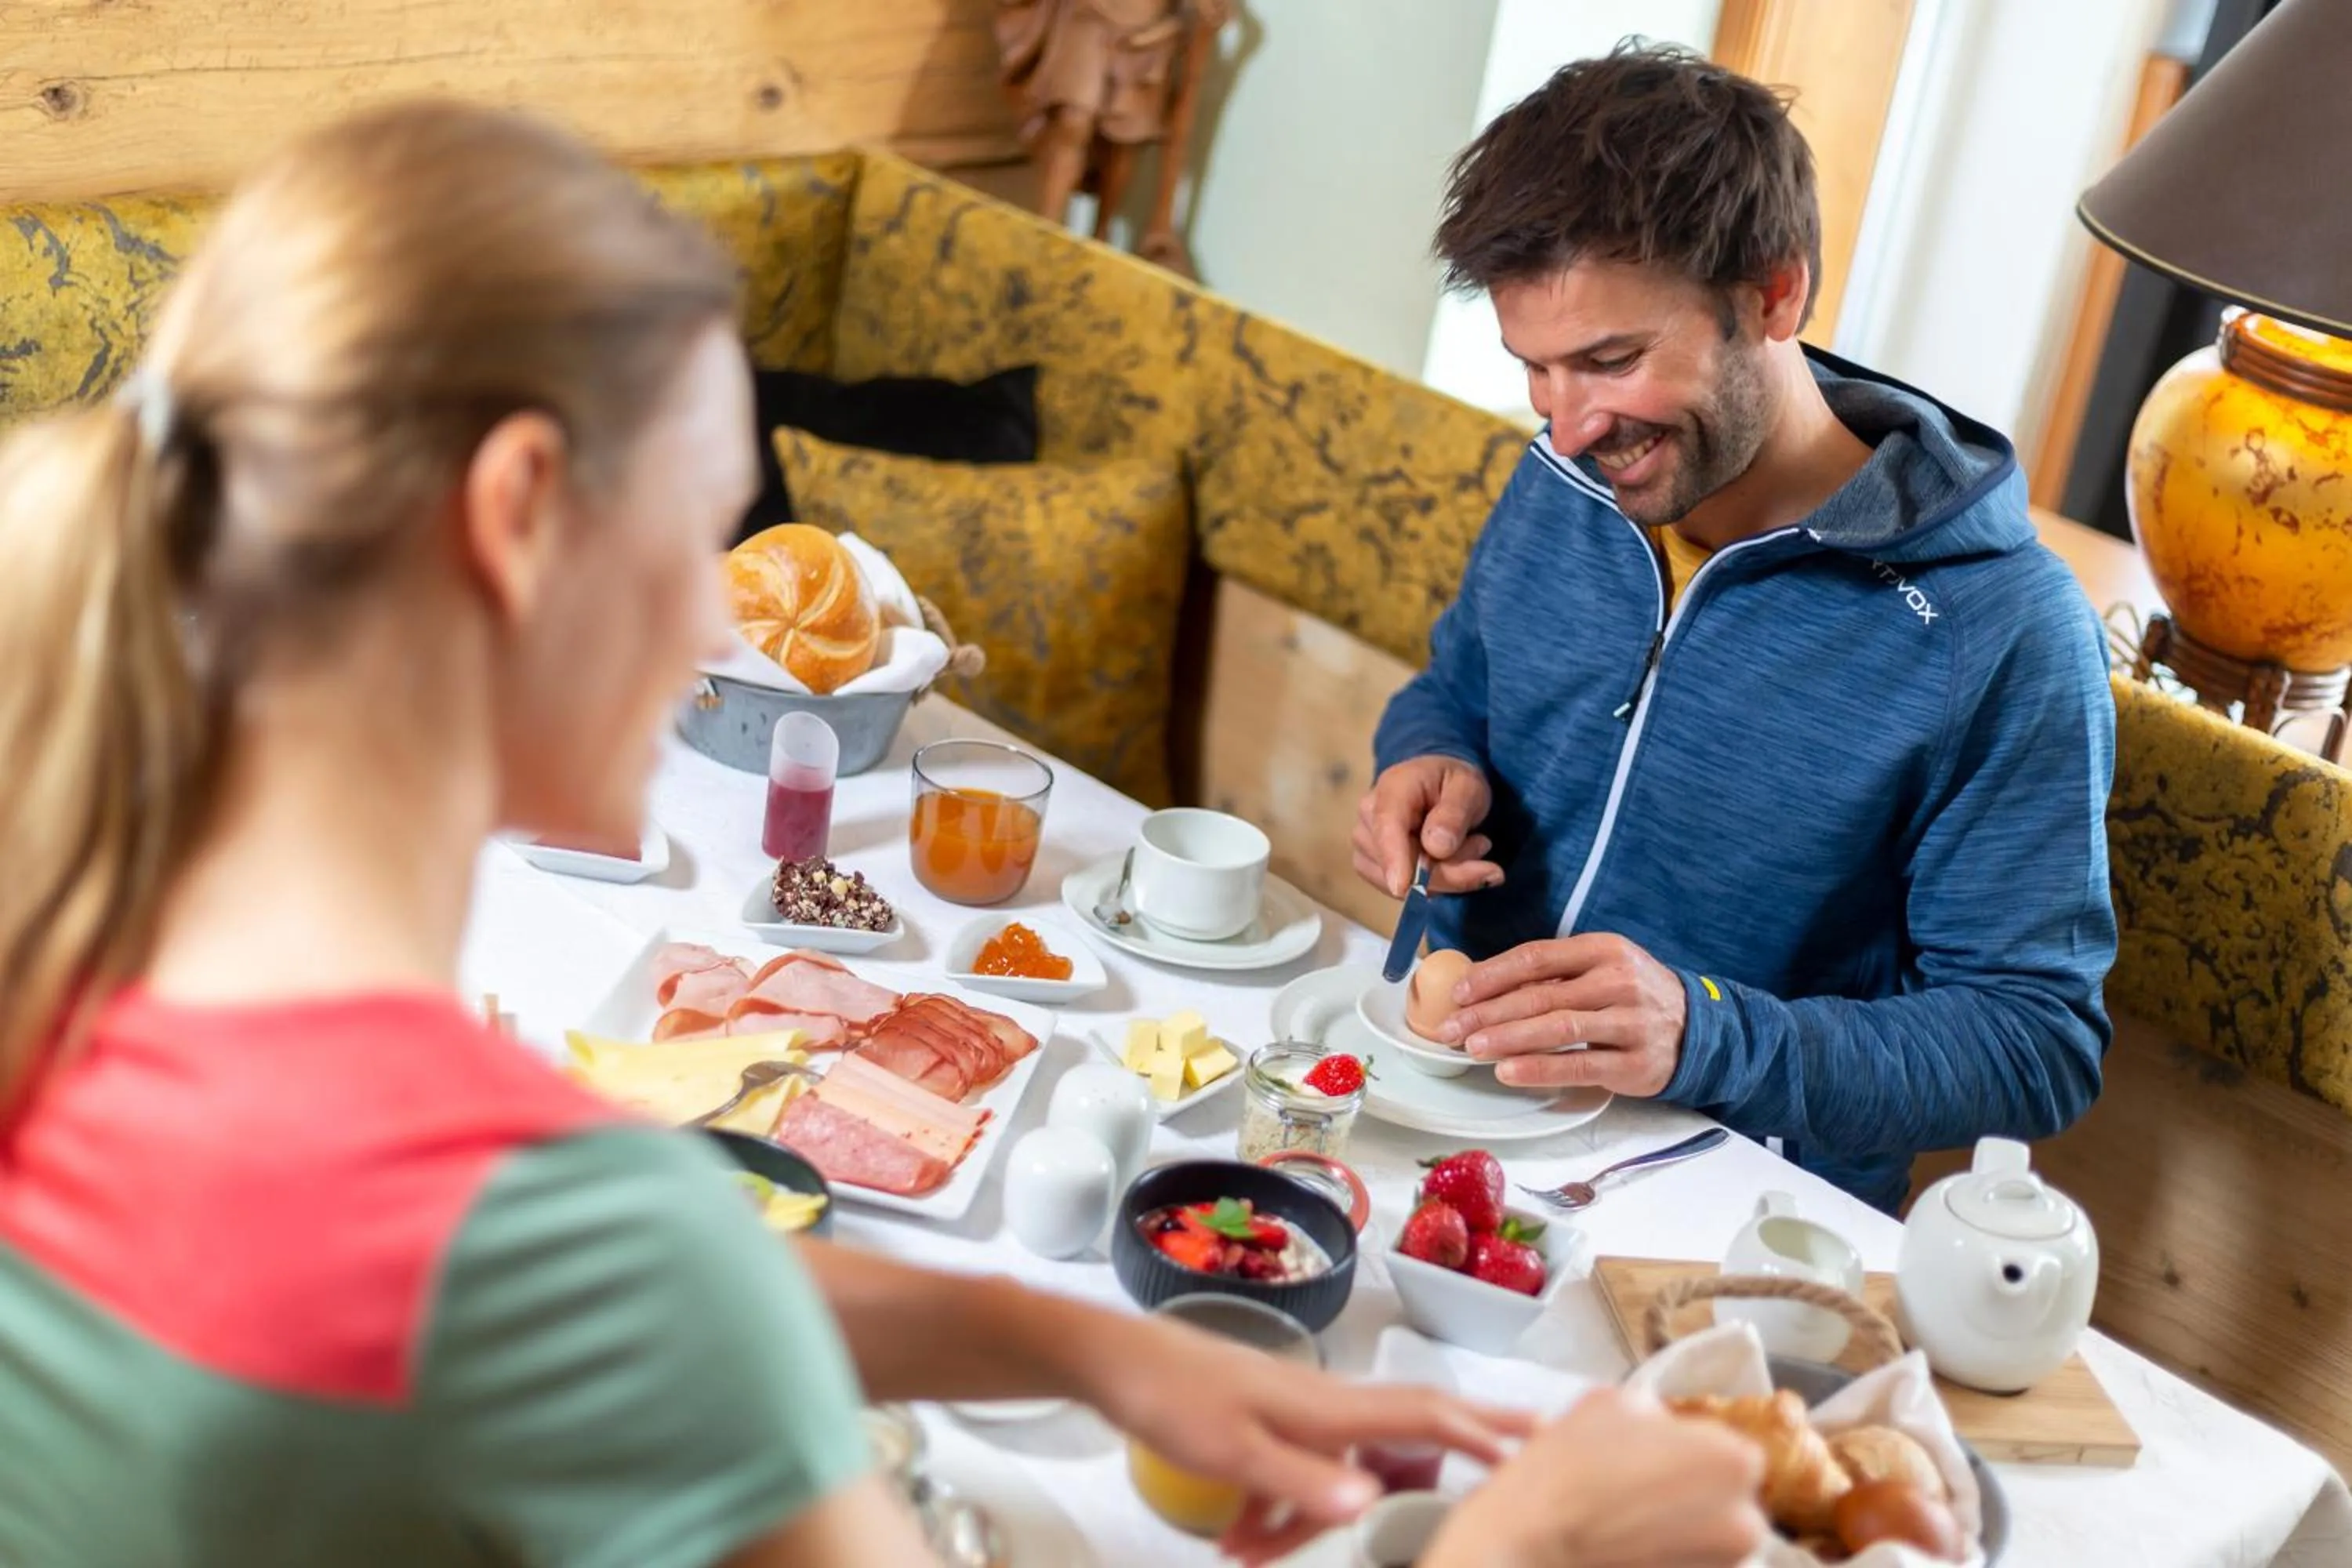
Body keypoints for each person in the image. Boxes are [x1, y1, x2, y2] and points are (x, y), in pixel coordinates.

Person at [0, 100, 1766, 1566]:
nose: (726, 623)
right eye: (709, 534)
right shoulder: (573, 1234)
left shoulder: (73, 958)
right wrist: (1514, 1547)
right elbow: (609, 1291)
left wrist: (1067, 1343)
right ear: (520, 516)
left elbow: (558, 1312)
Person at [1356, 45, 2117, 1214]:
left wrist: (1705, 1036)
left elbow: (2034, 1042)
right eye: (1535, 371)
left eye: (1612, 360)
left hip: (1724, 1215)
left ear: (1774, 294)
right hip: (1431, 1116)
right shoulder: (1574, 474)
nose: (1565, 429)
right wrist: (1426, 758)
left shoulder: (1999, 629)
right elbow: (1459, 681)